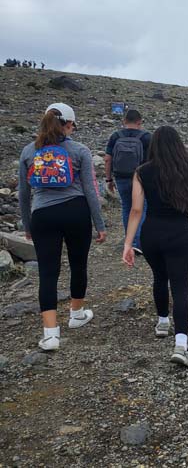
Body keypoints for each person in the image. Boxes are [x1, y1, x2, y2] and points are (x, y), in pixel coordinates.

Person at [122, 126, 188, 367]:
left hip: (151, 234)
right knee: (180, 287)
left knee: (159, 277)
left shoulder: (141, 172)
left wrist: (128, 244)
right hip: (179, 235)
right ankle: (181, 345)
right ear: (179, 146)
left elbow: (136, 210)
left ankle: (162, 322)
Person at [19, 103, 107, 351]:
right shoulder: (79, 150)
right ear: (68, 124)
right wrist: (99, 224)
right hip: (76, 212)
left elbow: (24, 194)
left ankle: (50, 335)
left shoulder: (28, 151)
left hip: (42, 216)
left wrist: (27, 225)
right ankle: (76, 314)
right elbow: (90, 190)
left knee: (48, 272)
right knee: (78, 264)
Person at [105, 109, 151, 254]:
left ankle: (129, 240)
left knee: (127, 207)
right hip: (142, 177)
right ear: (140, 122)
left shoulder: (115, 136)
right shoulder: (147, 137)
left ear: (124, 121)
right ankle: (140, 242)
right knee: (142, 207)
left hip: (121, 176)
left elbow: (107, 159)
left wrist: (109, 179)